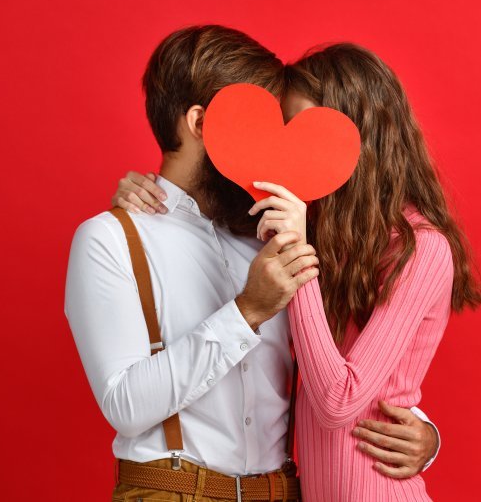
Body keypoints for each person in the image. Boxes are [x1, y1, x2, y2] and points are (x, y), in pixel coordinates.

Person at [66, 26, 440, 502]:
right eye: (255, 122)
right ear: (202, 124)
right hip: (175, 490)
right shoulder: (112, 238)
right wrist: (246, 311)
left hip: (283, 491)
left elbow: (342, 366)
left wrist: (423, 433)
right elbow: (124, 405)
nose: (276, 144)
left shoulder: (274, 232)